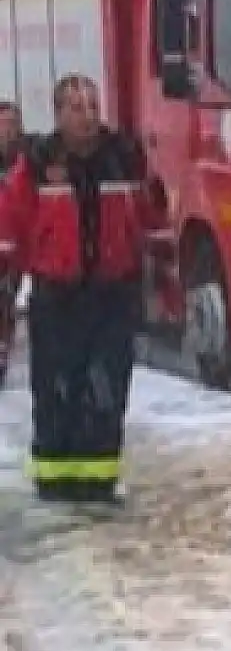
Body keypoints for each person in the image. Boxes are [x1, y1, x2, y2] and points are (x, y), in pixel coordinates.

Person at [0, 75, 163, 503]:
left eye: (93, 105)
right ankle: (55, 484)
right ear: (58, 115)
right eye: (76, 107)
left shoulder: (123, 157)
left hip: (111, 296)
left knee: (107, 392)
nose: (88, 116)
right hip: (57, 298)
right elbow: (12, 224)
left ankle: (98, 483)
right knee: (56, 392)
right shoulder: (37, 163)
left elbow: (149, 213)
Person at [0, 101, 25, 381]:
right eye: (5, 123)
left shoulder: (28, 159)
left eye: (14, 123)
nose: (10, 130)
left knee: (8, 297)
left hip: (17, 245)